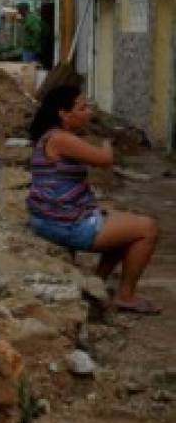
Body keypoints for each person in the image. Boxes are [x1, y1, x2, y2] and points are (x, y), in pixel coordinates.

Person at [27, 86, 161, 314]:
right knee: (148, 228)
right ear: (64, 113)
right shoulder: (60, 138)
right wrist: (107, 143)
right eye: (82, 107)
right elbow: (105, 160)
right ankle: (126, 296)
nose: (88, 112)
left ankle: (96, 284)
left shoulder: (54, 136)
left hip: (53, 218)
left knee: (123, 219)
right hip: (64, 224)